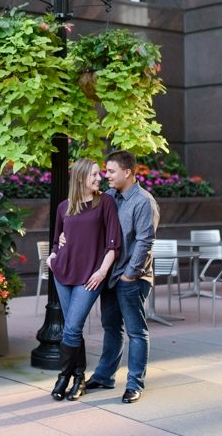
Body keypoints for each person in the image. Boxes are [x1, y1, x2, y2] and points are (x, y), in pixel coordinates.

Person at [85, 149, 159, 404]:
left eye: (111, 171)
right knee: (111, 327)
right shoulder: (108, 197)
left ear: (127, 172)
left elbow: (145, 240)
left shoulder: (143, 201)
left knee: (136, 332)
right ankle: (104, 376)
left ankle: (134, 383)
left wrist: (130, 275)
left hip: (132, 277)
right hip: (110, 275)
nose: (106, 176)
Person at [46, 158, 120, 401]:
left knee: (72, 327)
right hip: (63, 273)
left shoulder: (105, 202)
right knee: (72, 329)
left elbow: (113, 244)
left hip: (89, 277)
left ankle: (63, 377)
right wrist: (53, 256)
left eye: (100, 174)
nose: (99, 178)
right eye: (94, 175)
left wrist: (101, 272)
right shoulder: (64, 207)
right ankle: (78, 379)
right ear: (80, 178)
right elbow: (57, 239)